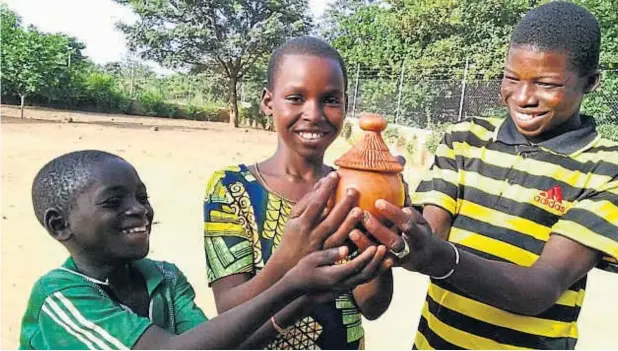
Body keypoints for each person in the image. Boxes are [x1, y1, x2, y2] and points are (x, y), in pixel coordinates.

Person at [360, 2, 618, 349]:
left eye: (546, 83)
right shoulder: (464, 140)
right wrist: (394, 212)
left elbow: (541, 288)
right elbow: (430, 234)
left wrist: (439, 256)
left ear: (591, 82)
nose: (523, 97)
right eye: (511, 78)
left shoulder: (615, 168)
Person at [19, 150, 386, 350]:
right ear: (59, 225)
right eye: (113, 202)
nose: (138, 210)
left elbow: (218, 345)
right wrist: (290, 283)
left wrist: (307, 297)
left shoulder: (163, 277)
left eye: (141, 197)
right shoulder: (61, 298)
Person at [202, 36, 395, 350]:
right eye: (296, 97)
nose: (314, 113)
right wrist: (288, 259)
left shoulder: (352, 191)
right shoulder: (232, 188)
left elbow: (372, 307)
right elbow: (229, 309)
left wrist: (379, 242)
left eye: (330, 100)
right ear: (268, 102)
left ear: (346, 104)